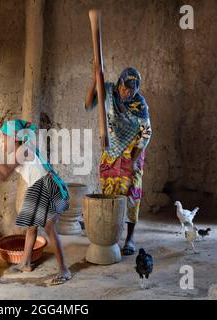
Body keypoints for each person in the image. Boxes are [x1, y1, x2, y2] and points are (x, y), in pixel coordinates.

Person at [0, 119, 72, 285]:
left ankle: (64, 270)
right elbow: (1, 171)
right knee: (32, 227)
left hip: (49, 187)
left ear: (15, 137)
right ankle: (25, 263)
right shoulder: (22, 147)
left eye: (4, 138)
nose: (1, 142)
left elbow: (3, 174)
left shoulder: (21, 151)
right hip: (39, 188)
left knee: (49, 228)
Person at [85, 66, 152, 256]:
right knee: (109, 191)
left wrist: (133, 160)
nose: (127, 92)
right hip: (111, 148)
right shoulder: (108, 91)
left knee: (131, 193)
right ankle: (110, 234)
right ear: (119, 83)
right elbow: (89, 104)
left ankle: (129, 238)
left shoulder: (140, 105)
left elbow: (146, 134)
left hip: (132, 149)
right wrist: (94, 79)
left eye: (132, 89)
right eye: (125, 88)